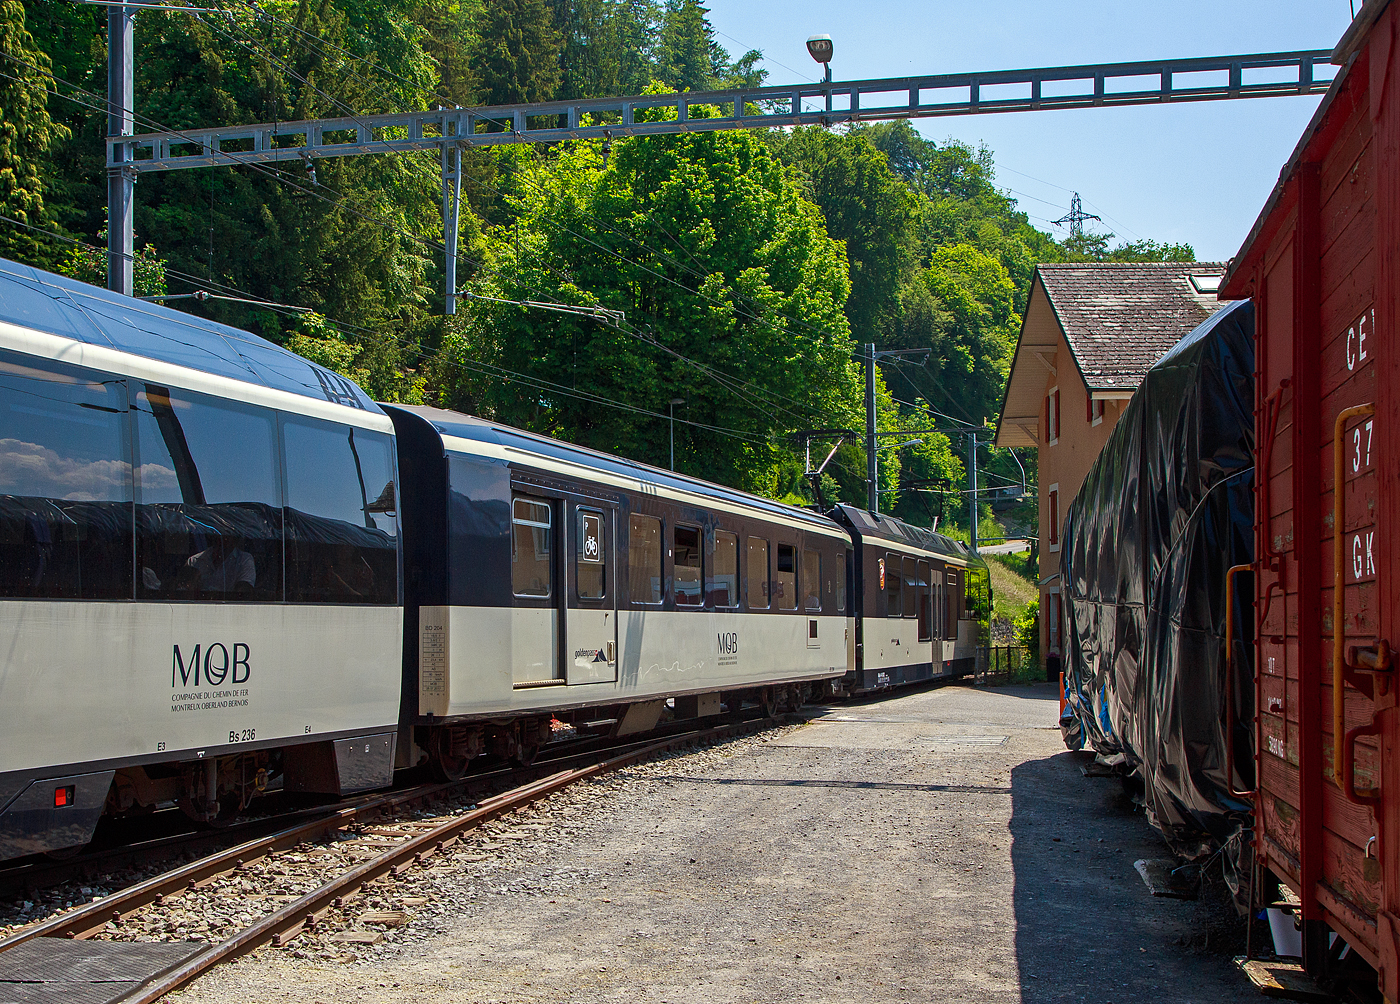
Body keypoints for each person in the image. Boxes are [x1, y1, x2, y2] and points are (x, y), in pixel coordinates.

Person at [182, 536, 255, 593]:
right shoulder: (194, 561)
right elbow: (184, 591)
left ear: (235, 539)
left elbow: (244, 593)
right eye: (219, 535)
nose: (223, 539)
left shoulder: (244, 560)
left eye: (227, 535)